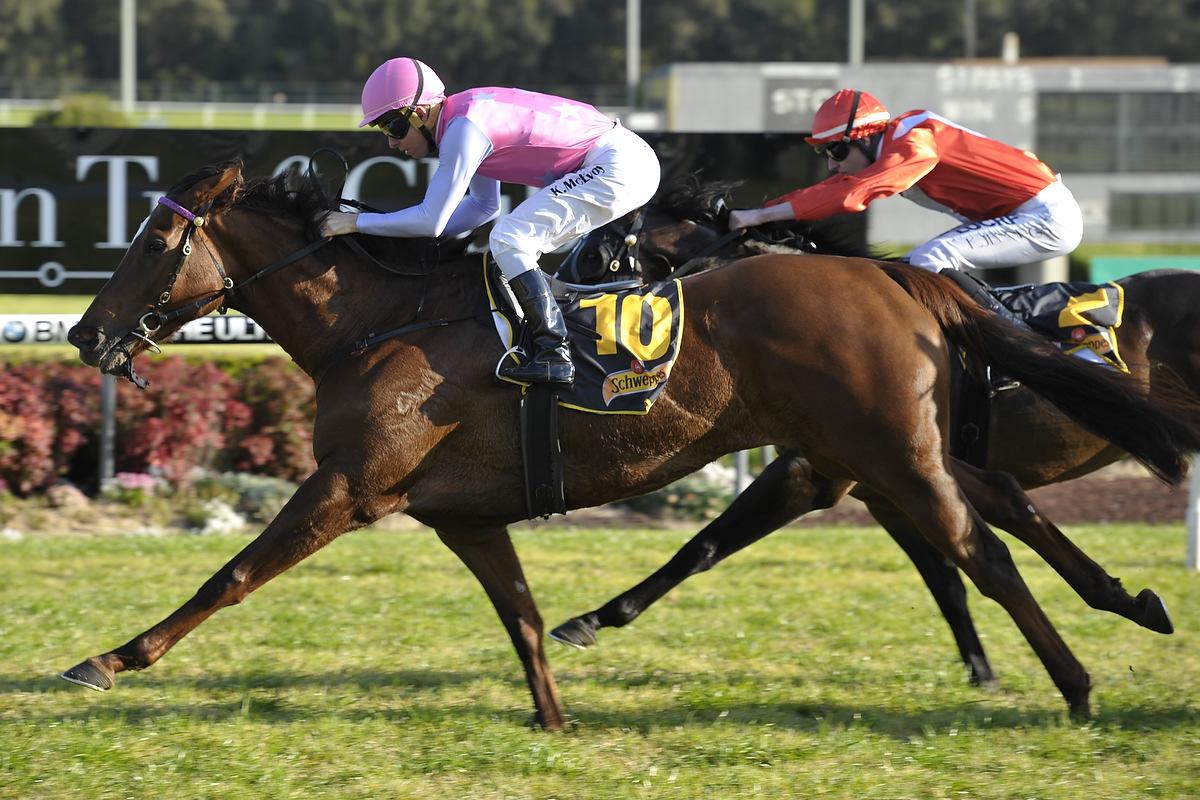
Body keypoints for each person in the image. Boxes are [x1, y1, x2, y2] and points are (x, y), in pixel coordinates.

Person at [321, 57, 661, 385]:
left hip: (618, 164)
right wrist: (401, 233)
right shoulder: (462, 118)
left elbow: (431, 220)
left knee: (509, 239)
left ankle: (554, 352)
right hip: (623, 159)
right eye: (383, 129)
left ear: (421, 113)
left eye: (394, 126)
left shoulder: (464, 130)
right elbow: (483, 206)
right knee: (510, 241)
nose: (392, 141)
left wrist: (353, 223)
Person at [727, 89, 1084, 307]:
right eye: (825, 154)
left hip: (1045, 216)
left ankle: (1002, 340)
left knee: (932, 258)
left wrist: (760, 216)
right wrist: (762, 212)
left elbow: (851, 194)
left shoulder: (913, 144)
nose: (832, 164)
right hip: (1027, 212)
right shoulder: (897, 140)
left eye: (835, 150)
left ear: (865, 137)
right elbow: (838, 188)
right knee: (909, 269)